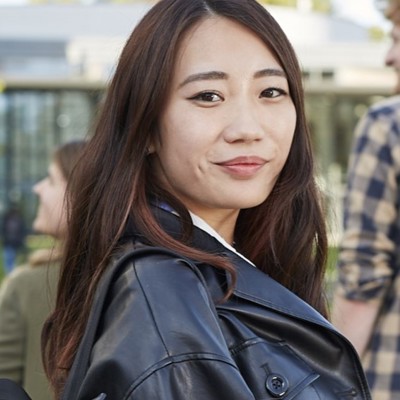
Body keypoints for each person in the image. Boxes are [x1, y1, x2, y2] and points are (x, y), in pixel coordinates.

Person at [42, 1, 371, 399]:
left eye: (270, 91)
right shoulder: (164, 297)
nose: (248, 128)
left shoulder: (225, 270)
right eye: (208, 96)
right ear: (145, 126)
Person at [332, 1, 400, 399]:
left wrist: (332, 381)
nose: (389, 57)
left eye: (395, 38)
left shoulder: (387, 126)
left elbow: (363, 282)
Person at [0, 141, 86, 400]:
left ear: (77, 194)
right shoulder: (135, 274)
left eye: (50, 180)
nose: (37, 188)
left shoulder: (30, 285)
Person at [1, 205, 26, 275]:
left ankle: (13, 274)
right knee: (8, 259)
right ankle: (9, 274)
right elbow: (4, 230)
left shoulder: (20, 220)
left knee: (14, 260)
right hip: (8, 243)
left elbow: (22, 232)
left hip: (15, 244)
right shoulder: (7, 219)